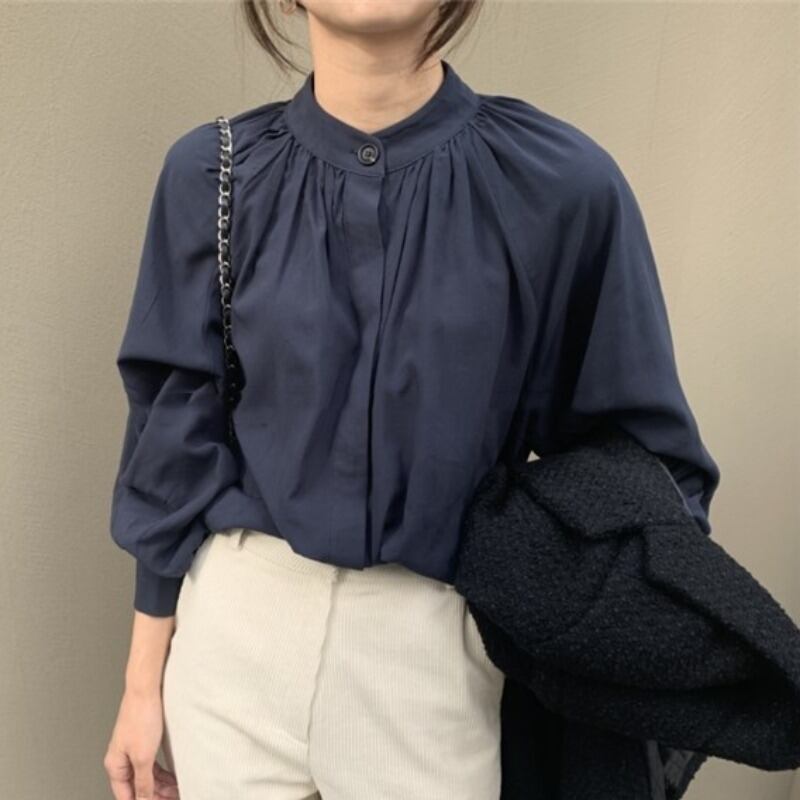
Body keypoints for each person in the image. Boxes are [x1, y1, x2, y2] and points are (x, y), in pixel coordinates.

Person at [103, 1, 721, 798]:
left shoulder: (558, 185)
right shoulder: (213, 174)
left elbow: (644, 466)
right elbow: (171, 432)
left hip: (433, 651)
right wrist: (142, 683)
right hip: (233, 631)